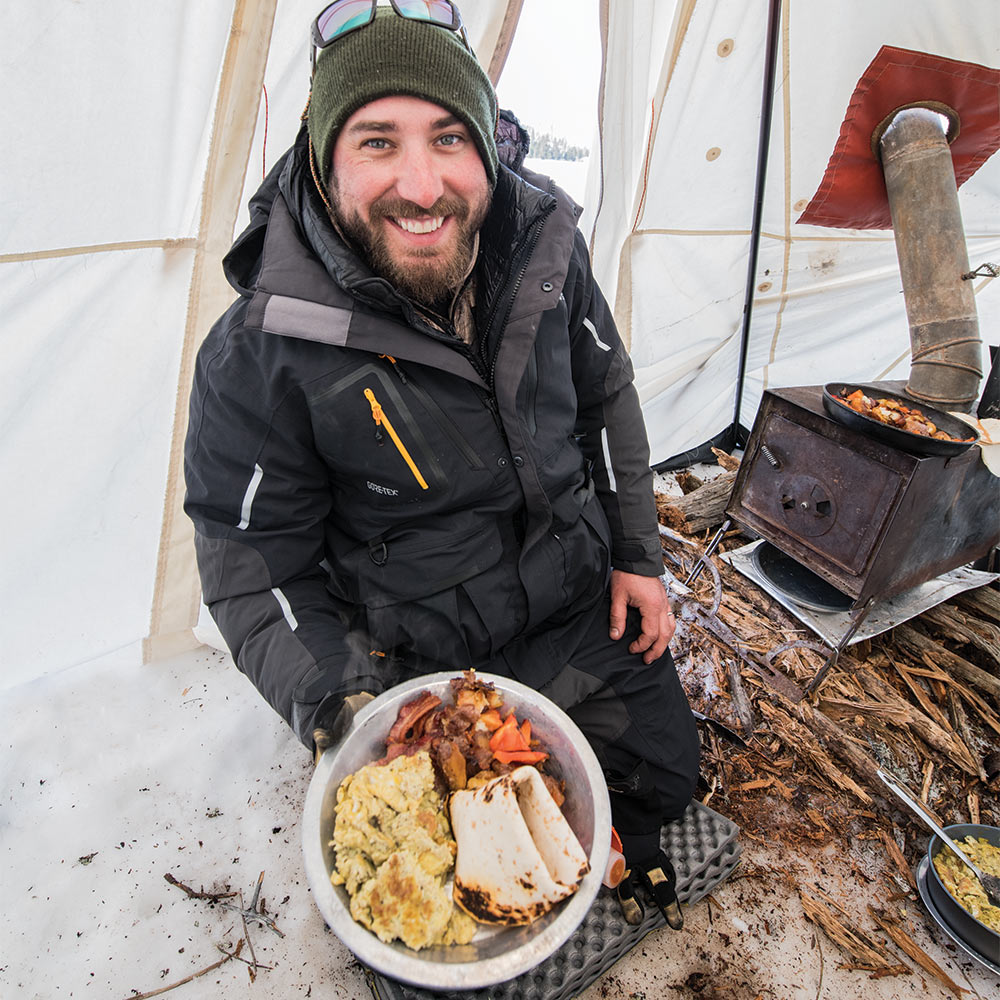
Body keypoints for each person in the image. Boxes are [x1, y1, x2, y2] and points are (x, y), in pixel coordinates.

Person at [184, 0, 699, 927]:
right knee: (436, 891)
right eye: (377, 142)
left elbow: (604, 397)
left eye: (449, 138)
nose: (421, 186)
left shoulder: (546, 249)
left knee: (665, 781)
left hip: (571, 599)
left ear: (490, 149)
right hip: (417, 658)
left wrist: (636, 555)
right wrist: (343, 708)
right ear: (320, 153)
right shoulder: (264, 347)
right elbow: (254, 563)